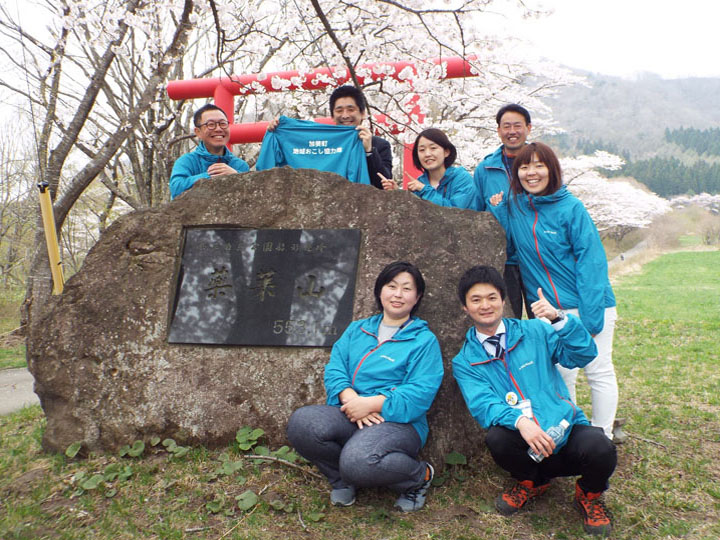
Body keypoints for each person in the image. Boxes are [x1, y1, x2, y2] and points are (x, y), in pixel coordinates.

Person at [452, 265, 616, 537]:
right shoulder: (465, 360)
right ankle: (532, 482)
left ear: (503, 300)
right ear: (465, 308)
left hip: (564, 428)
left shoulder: (535, 332)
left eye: (492, 297)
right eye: (476, 299)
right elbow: (483, 404)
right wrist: (521, 421)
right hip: (526, 443)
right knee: (497, 439)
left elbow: (584, 355)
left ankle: (588, 495)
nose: (485, 305)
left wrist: (559, 320)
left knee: (601, 448)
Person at [286, 261, 443, 512]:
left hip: (400, 423)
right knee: (302, 424)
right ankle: (342, 479)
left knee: (358, 461)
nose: (398, 294)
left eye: (406, 288)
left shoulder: (423, 340)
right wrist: (351, 400)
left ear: (418, 297)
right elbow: (335, 368)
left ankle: (418, 477)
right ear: (380, 291)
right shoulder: (357, 329)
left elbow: (420, 392)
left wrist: (371, 403)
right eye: (391, 286)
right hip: (350, 411)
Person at [488, 142, 619, 441]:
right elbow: (507, 248)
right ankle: (573, 434)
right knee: (560, 374)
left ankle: (603, 435)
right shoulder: (516, 206)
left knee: (597, 369)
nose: (531, 173)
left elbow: (592, 262)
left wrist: (591, 317)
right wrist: (497, 209)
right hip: (545, 310)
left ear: (552, 170)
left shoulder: (571, 208)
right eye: (523, 166)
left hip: (586, 304)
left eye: (538, 165)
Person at [267, 85, 393, 188]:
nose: (345, 115)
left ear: (363, 113)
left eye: (350, 109)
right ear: (332, 115)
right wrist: (277, 131)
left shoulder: (380, 145)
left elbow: (385, 184)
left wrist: (369, 151)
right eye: (339, 111)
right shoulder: (321, 141)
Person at [474, 104, 533, 318]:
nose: (512, 131)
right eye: (506, 126)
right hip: (504, 258)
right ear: (498, 130)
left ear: (528, 127)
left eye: (517, 126)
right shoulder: (485, 169)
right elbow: (477, 213)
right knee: (508, 319)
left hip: (536, 254)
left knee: (545, 319)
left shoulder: (541, 163)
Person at [379, 128, 476, 209]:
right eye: (422, 150)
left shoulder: (461, 178)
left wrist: (424, 190)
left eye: (433, 148)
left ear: (446, 152)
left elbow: (456, 212)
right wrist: (397, 194)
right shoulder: (419, 183)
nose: (427, 154)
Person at [169, 104, 250, 199]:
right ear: (198, 132)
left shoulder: (239, 165)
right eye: (211, 125)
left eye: (223, 124)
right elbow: (176, 189)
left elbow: (249, 194)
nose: (219, 129)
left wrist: (236, 177)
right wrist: (211, 176)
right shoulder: (186, 161)